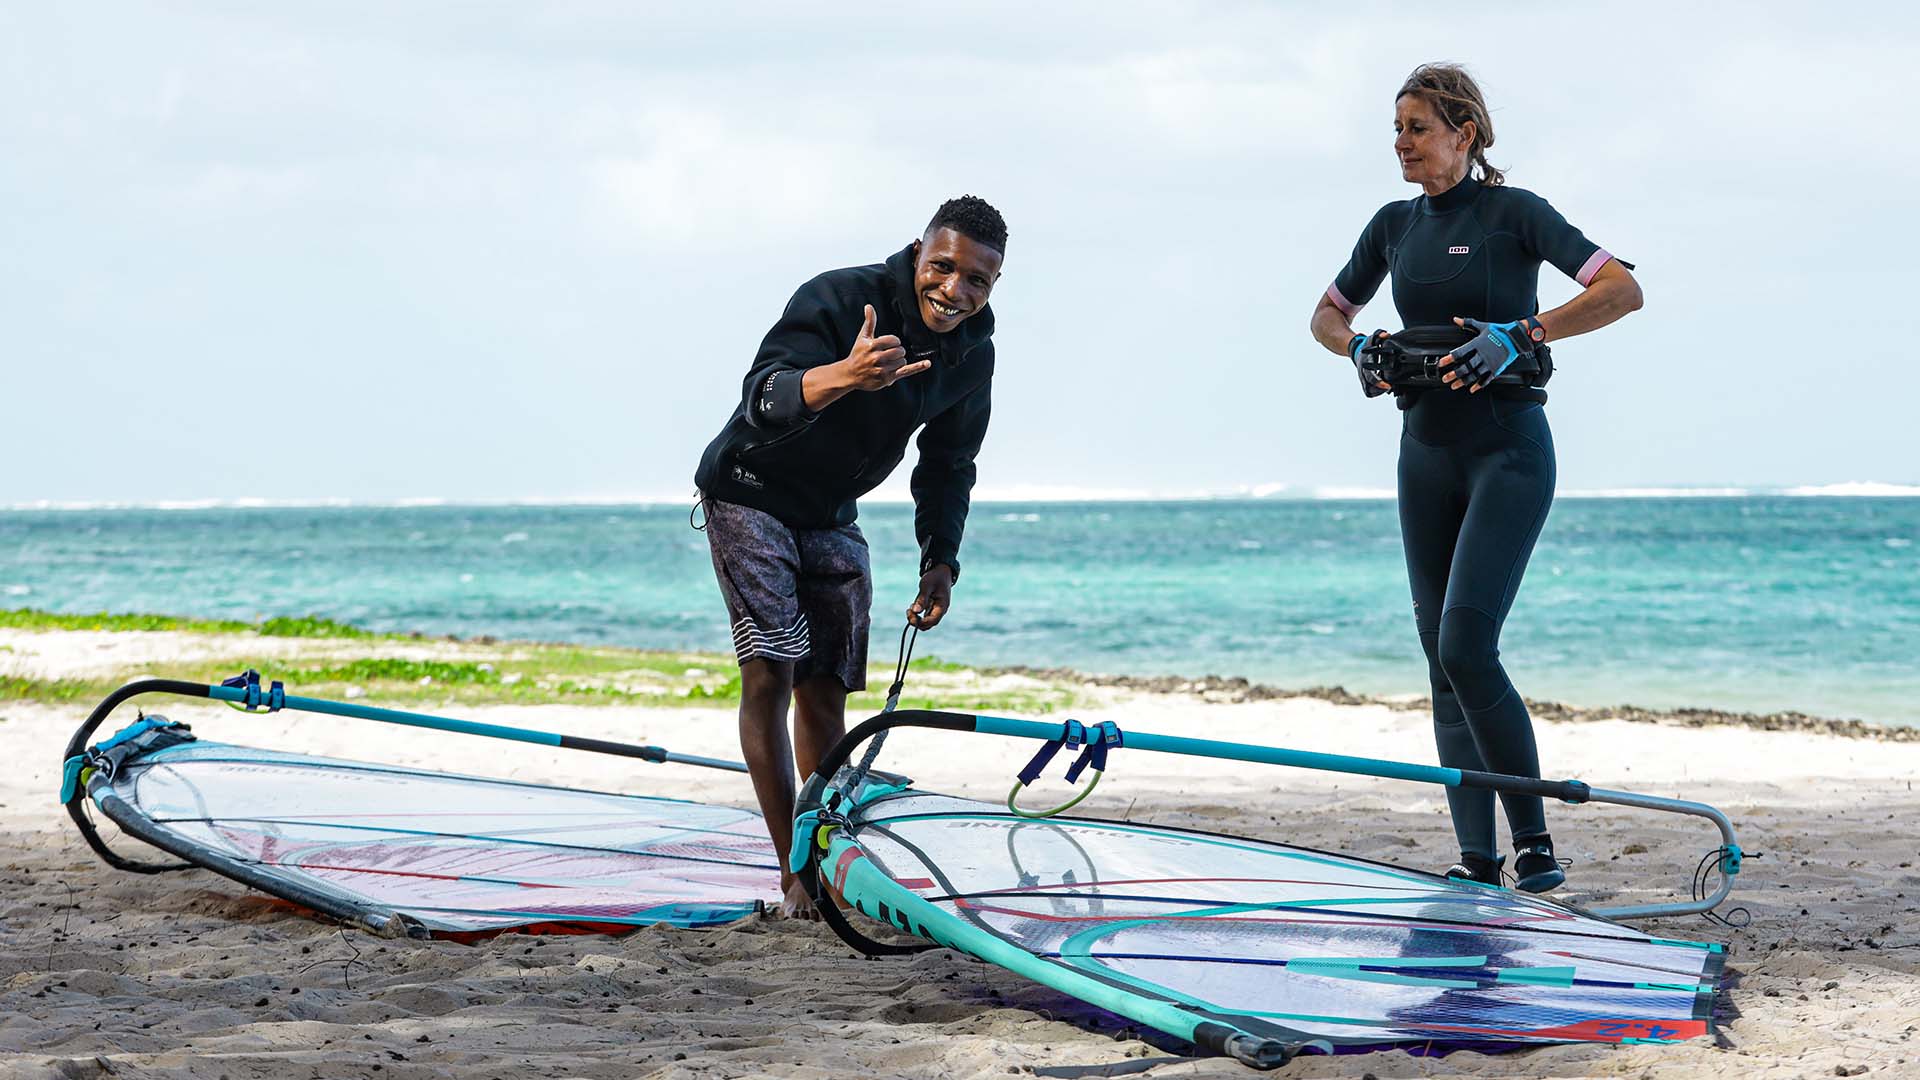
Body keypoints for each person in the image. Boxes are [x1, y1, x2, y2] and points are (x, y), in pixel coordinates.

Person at [1307, 65, 1643, 893]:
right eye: (1397, 128)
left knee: (1467, 644)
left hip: (1509, 452)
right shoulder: (1391, 226)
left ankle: (1534, 846)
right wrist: (1359, 348)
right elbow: (1324, 315)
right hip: (1424, 453)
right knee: (1439, 658)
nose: (1401, 143)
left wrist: (1523, 333)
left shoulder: (1514, 214)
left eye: (1417, 127)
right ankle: (1477, 860)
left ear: (1465, 133)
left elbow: (1621, 289)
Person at [694, 195, 1006, 917]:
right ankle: (794, 873)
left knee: (827, 687)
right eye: (943, 267)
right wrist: (846, 375)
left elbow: (950, 464)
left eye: (977, 281)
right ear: (920, 251)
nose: (954, 291)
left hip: (832, 511)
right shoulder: (838, 298)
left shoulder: (973, 353)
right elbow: (762, 398)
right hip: (749, 489)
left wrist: (940, 559)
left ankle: (826, 850)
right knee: (770, 670)